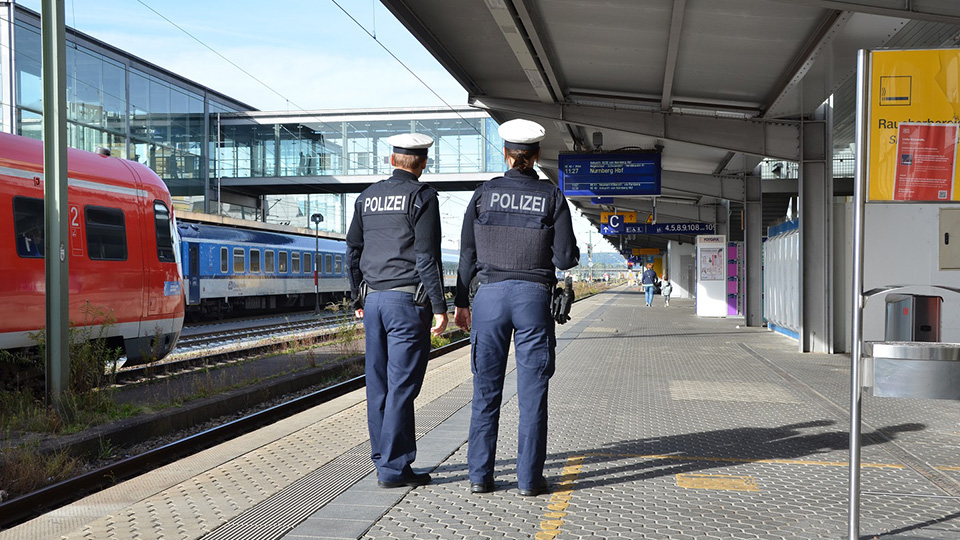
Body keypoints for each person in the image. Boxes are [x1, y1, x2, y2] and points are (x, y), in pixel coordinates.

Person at [454, 119, 580, 497]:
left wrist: (461, 303)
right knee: (532, 394)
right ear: (537, 155)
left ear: (506, 154)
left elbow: (466, 255)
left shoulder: (482, 195)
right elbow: (565, 258)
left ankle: (479, 477)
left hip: (489, 298)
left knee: (485, 392)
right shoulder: (552, 197)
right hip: (533, 298)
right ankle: (529, 481)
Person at [345, 132, 449, 489]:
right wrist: (440, 306)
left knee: (379, 387)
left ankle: (383, 460)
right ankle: (393, 468)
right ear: (422, 163)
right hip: (406, 303)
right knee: (402, 387)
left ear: (392, 161)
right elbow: (426, 257)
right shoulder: (423, 197)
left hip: (373, 302)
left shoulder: (367, 197)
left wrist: (358, 298)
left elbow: (353, 251)